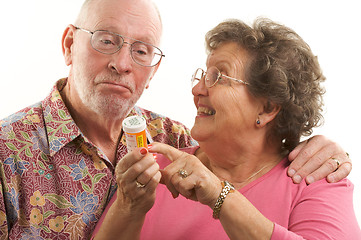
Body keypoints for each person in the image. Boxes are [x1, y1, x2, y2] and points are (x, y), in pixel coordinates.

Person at [0, 0, 351, 239]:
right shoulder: (6, 150)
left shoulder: (172, 142)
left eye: (141, 51)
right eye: (106, 41)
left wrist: (325, 147)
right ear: (68, 45)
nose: (122, 64)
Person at [92, 18, 360, 239]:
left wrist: (219, 194)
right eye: (202, 75)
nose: (197, 90)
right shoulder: (155, 169)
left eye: (218, 77)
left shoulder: (316, 179)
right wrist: (129, 207)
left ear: (267, 108)